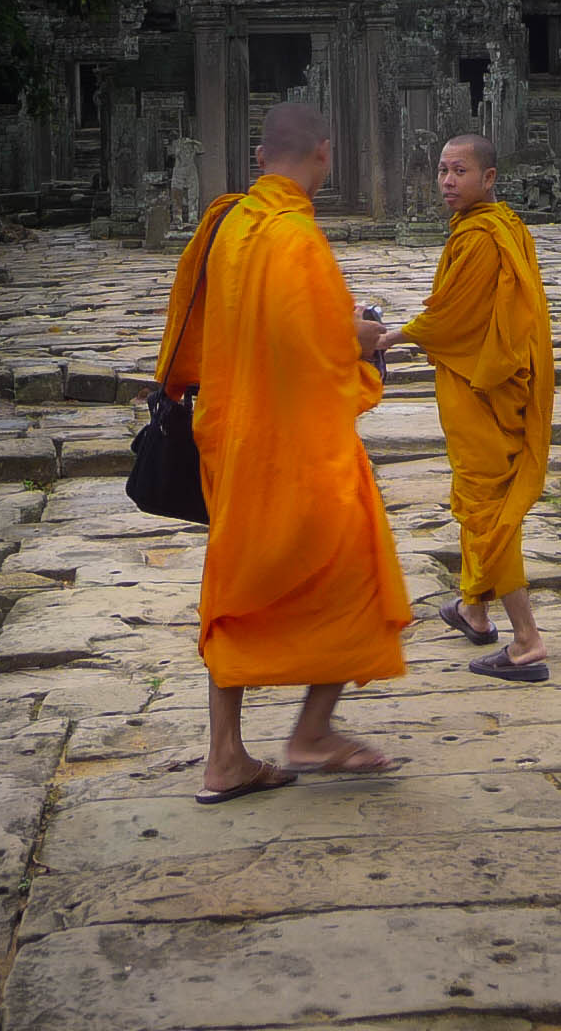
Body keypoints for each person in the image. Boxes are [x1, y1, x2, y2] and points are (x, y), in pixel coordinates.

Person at [156, 100, 411, 802]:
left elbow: (191, 323)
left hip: (232, 441)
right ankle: (312, 732)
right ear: (325, 154)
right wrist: (362, 338)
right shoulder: (296, 238)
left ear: (261, 159)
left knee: (234, 592)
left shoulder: (228, 222)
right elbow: (322, 346)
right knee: (358, 571)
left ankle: (225, 758)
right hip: (295, 447)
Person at [384, 132, 555, 683]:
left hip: (484, 386)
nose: (449, 182)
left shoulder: (486, 237)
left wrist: (394, 336)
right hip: (482, 382)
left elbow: (451, 317)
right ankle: (474, 609)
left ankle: (526, 640)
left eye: (460, 171)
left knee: (486, 509)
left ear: (490, 178)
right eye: (442, 171)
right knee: (475, 494)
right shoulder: (496, 228)